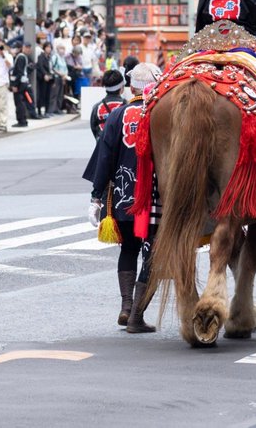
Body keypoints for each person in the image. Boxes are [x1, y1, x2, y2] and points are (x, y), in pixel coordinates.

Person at [87, 63, 162, 334]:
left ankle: (127, 306)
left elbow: (104, 157)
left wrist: (96, 197)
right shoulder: (161, 113)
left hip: (122, 195)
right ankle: (137, 317)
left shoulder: (117, 115)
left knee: (128, 249)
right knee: (153, 253)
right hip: (154, 196)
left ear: (131, 87)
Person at [82, 69, 128, 181]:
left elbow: (94, 129)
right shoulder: (127, 107)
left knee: (102, 187)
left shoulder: (97, 107)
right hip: (123, 156)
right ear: (121, 88)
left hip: (102, 154)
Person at [11, 41, 34, 127]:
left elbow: (19, 72)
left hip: (20, 83)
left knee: (19, 103)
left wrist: (15, 85)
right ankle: (23, 120)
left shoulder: (20, 57)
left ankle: (21, 121)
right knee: (22, 102)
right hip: (23, 82)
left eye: (29, 48)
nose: (28, 49)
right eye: (26, 47)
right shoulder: (24, 57)